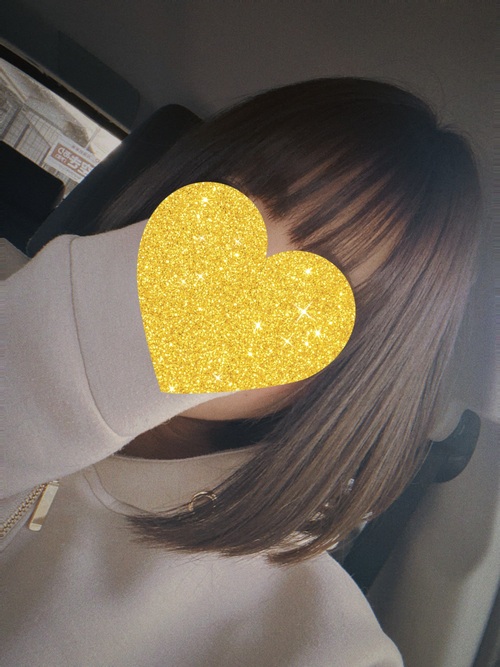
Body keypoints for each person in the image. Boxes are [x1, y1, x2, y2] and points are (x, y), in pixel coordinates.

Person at [2, 77, 483, 666]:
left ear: (349, 375)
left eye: (313, 294)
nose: (228, 285)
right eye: (229, 207)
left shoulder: (308, 637)